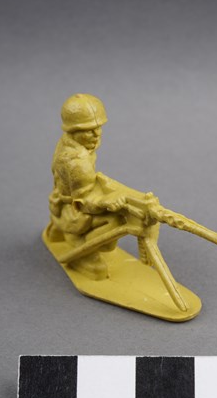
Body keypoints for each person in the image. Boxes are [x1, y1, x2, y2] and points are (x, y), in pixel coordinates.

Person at [47, 93, 156, 279]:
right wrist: (108, 203)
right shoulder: (76, 161)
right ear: (73, 131)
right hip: (71, 212)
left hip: (65, 201)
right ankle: (82, 253)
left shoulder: (72, 144)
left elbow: (86, 185)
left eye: (98, 128)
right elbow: (83, 202)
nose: (97, 134)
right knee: (118, 221)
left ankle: (70, 235)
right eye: (89, 130)